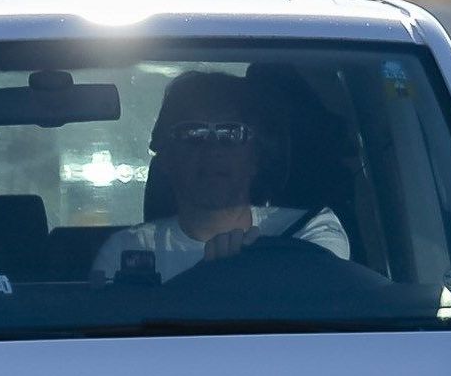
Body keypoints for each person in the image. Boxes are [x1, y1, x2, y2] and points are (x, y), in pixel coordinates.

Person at [91, 70, 349, 284]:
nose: (212, 150)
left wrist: (228, 275)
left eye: (231, 134)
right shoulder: (129, 252)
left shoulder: (310, 232)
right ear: (167, 159)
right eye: (192, 134)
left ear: (258, 156)